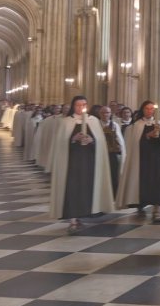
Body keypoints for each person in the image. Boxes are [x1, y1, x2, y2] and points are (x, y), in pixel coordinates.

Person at [48, 95, 115, 233]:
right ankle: (72, 220)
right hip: (71, 164)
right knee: (72, 190)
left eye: (84, 104)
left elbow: (101, 143)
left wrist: (92, 140)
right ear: (73, 106)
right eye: (78, 105)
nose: (81, 107)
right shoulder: (66, 122)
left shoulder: (94, 121)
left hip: (90, 163)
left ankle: (83, 215)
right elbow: (60, 143)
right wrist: (72, 139)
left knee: (86, 189)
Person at [117, 100, 160, 222]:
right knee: (142, 183)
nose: (150, 111)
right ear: (143, 110)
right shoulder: (137, 125)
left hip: (157, 159)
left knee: (157, 183)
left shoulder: (158, 123)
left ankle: (156, 211)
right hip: (142, 159)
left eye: (152, 109)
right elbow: (135, 144)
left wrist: (159, 134)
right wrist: (147, 136)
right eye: (147, 108)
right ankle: (140, 205)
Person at [95, 104, 125, 199]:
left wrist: (121, 149)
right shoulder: (95, 124)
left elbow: (120, 139)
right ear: (99, 114)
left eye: (107, 112)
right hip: (99, 154)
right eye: (103, 112)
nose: (105, 114)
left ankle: (113, 195)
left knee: (113, 175)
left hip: (112, 153)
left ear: (110, 114)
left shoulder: (115, 125)